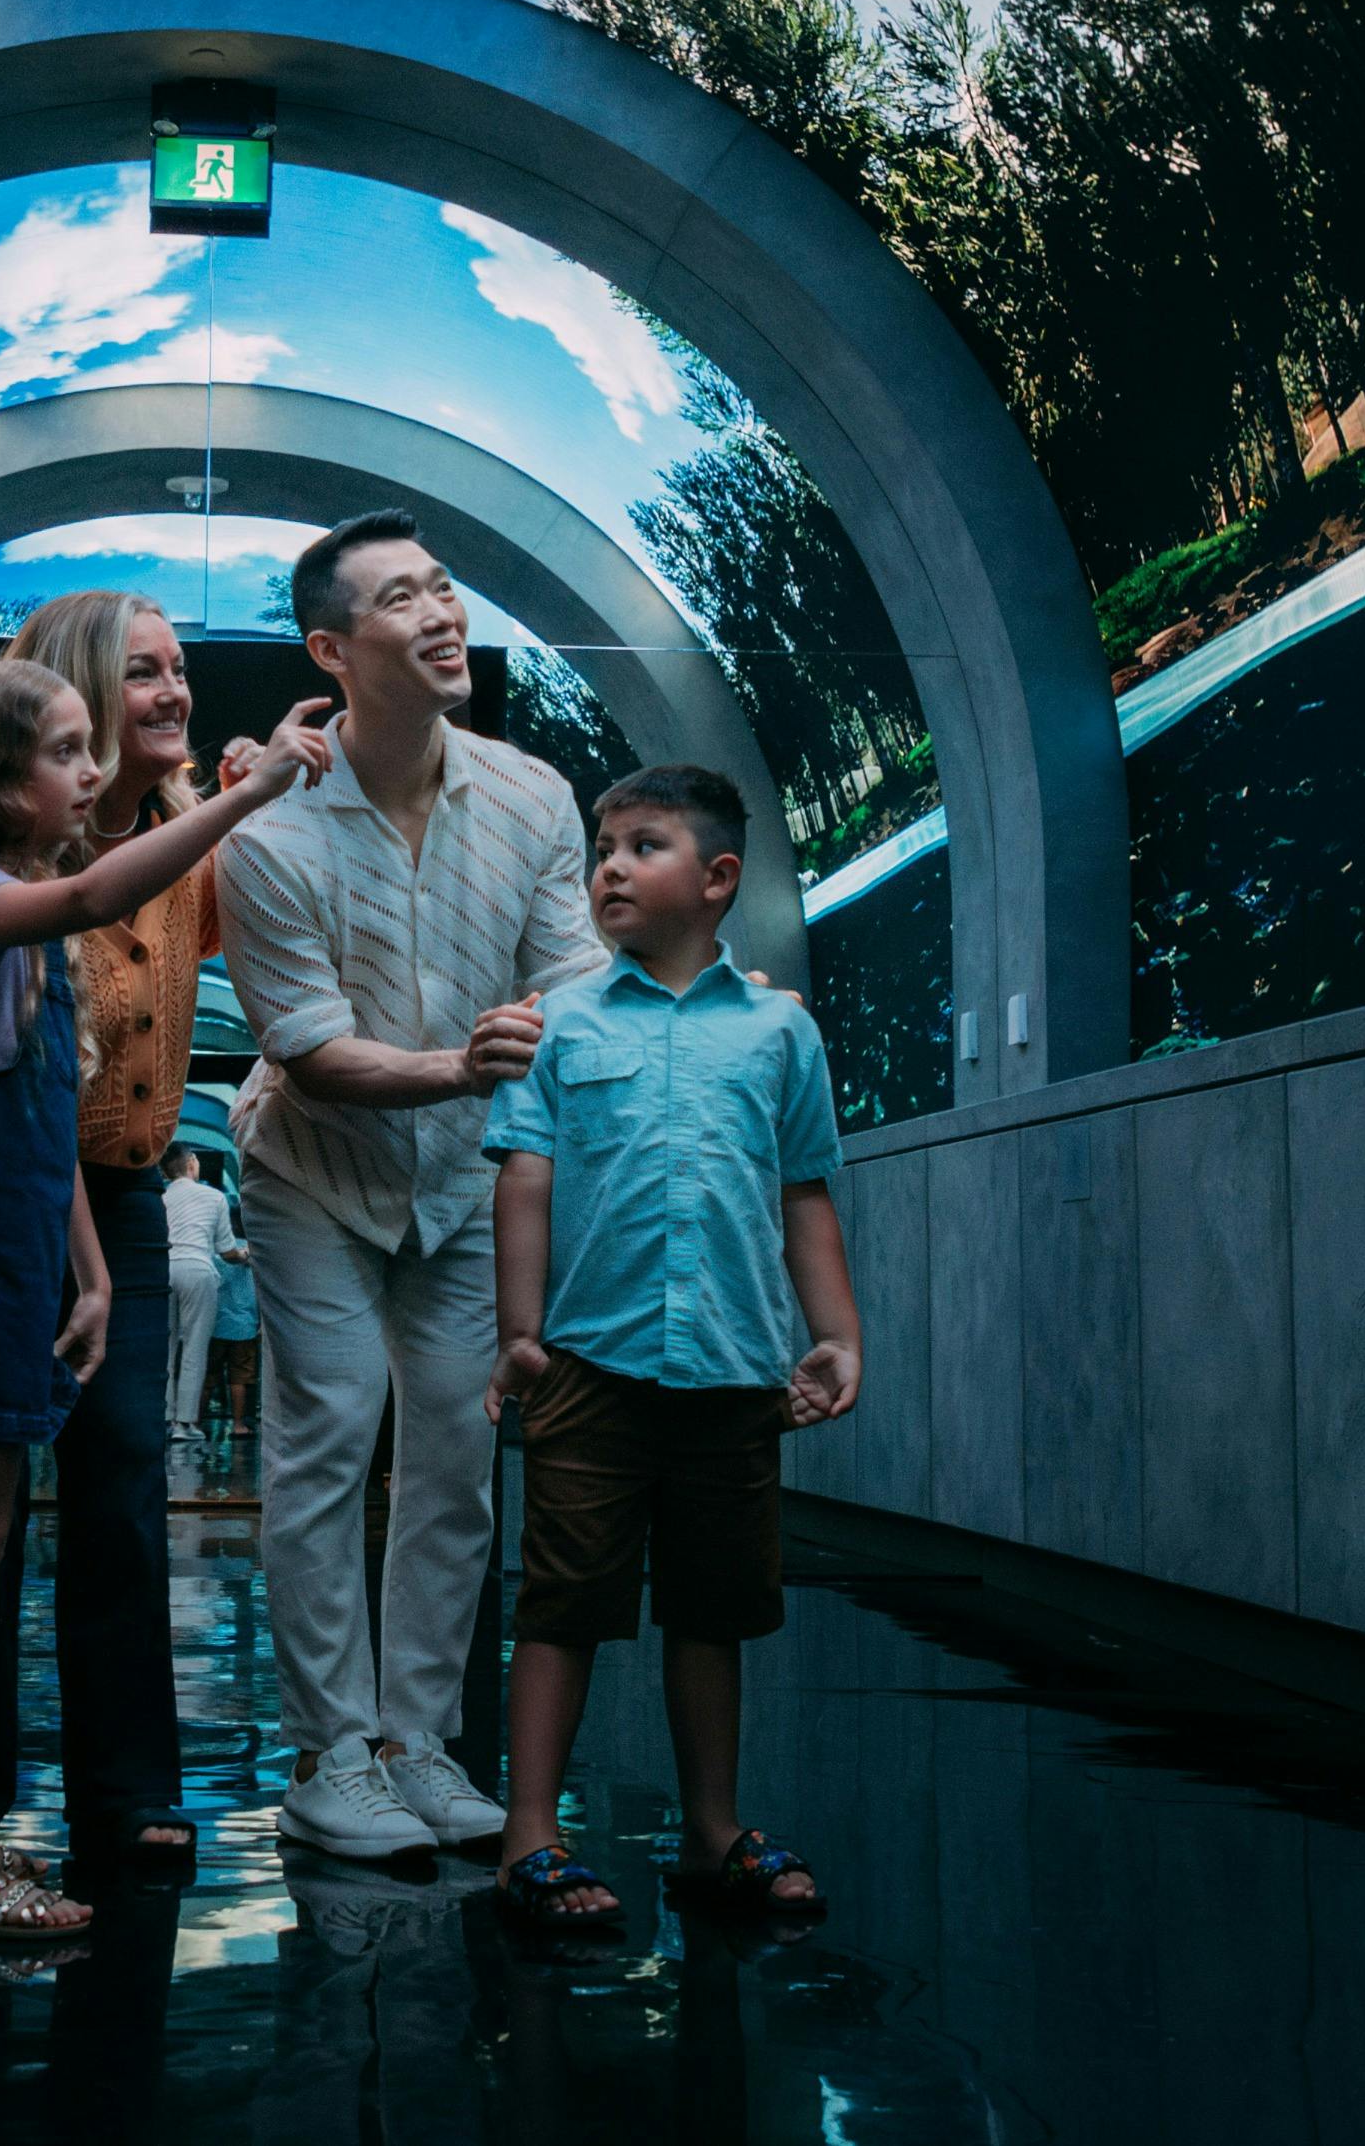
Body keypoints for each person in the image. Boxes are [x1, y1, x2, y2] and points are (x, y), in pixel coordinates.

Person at [0, 654, 332, 1941]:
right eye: (62, 751)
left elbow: (45, 1129)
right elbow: (107, 887)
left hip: (18, 1255)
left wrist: (95, 1270)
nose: (90, 770)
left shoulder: (16, 912)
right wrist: (255, 789)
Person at [216, 509, 608, 1860]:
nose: (443, 611)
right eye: (401, 597)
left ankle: (421, 1744)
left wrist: (649, 1007)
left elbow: (570, 976)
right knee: (327, 1437)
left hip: (459, 1181)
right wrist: (460, 1064)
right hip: (312, 1172)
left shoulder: (535, 792)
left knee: (456, 1451)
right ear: (333, 647)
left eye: (445, 584)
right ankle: (331, 1761)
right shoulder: (267, 835)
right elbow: (308, 1051)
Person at [476, 765, 863, 1936]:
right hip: (587, 1365)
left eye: (639, 846)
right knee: (562, 1602)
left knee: (715, 1607)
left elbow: (803, 1195)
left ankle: (711, 1829)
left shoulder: (781, 1033)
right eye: (600, 847)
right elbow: (525, 1182)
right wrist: (517, 1335)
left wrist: (836, 1332)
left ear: (716, 879)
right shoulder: (558, 1020)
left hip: (735, 1369)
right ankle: (530, 1835)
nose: (606, 866)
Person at [1, 588, 284, 1871]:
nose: (175, 692)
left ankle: (128, 1794)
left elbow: (275, 887)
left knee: (121, 1494)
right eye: (143, 675)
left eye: (180, 672)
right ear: (73, 693)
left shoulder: (185, 850)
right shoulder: (14, 854)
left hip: (114, 1185)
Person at [159, 1144, 231, 1438]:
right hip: (199, 1270)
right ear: (191, 1163)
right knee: (195, 1348)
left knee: (165, 1349)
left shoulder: (160, 1198)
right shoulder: (214, 1197)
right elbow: (226, 1250)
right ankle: (185, 1423)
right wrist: (246, 1253)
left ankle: (163, 1417)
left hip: (165, 1270)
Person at [207, 1183, 263, 1438]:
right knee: (240, 1376)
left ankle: (195, 1422)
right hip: (245, 1325)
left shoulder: (217, 1251)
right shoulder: (255, 1253)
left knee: (208, 1375)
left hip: (214, 1323)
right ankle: (240, 1424)